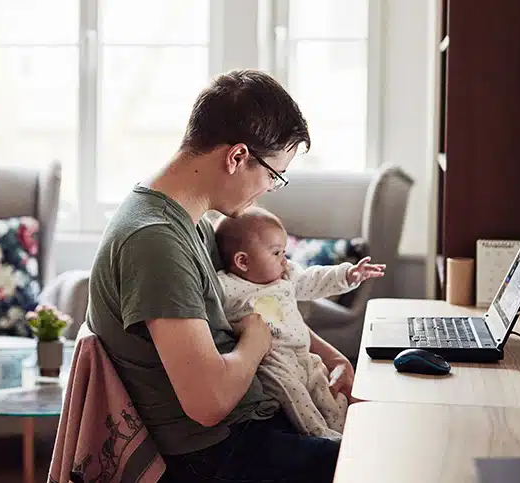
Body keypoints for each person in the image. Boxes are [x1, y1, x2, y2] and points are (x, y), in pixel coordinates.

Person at [86, 69, 354, 482]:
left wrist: (332, 355)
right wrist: (255, 340)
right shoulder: (154, 241)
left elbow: (253, 304)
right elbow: (208, 402)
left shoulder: (188, 220)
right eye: (273, 175)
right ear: (237, 157)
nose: (267, 190)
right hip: (217, 452)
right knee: (379, 462)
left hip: (249, 423)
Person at [214, 207, 385, 439]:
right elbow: (206, 308)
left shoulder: (287, 276)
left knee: (328, 392)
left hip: (304, 354)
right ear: (243, 261)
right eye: (276, 253)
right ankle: (321, 435)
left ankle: (347, 431)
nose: (284, 260)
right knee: (295, 395)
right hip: (273, 360)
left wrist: (348, 276)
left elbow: (314, 280)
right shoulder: (226, 286)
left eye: (284, 252)